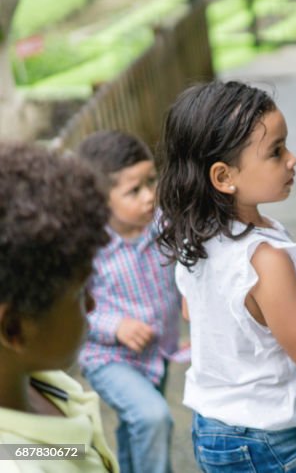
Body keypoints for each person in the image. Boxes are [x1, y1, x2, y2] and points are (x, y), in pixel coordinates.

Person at [156, 81, 296, 473]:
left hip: (212, 429)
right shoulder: (265, 261)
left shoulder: (195, 240)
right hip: (265, 444)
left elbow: (192, 309)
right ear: (223, 176)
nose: (293, 159)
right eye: (275, 151)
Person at [0, 142, 117, 473]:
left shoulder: (39, 382)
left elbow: (63, 450)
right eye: (81, 292)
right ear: (14, 328)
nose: (92, 303)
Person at [76, 131, 179, 473]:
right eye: (134, 191)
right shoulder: (86, 248)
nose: (149, 196)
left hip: (156, 351)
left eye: (152, 181)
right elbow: (72, 307)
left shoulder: (163, 225)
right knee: (152, 417)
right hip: (108, 357)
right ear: (100, 198)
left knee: (139, 425)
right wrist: (115, 325)